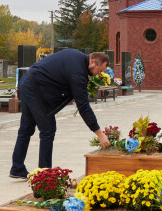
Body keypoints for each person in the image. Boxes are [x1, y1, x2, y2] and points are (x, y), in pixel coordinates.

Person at [10, 49, 111, 179]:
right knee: (48, 130)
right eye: (99, 70)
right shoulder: (78, 72)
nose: (98, 74)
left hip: (27, 82)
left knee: (26, 128)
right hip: (35, 89)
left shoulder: (77, 57)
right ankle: (44, 177)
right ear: (92, 62)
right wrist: (99, 134)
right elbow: (83, 107)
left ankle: (17, 168)